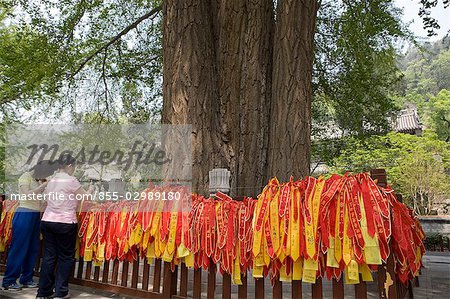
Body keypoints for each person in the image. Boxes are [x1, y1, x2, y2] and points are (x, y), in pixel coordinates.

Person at [36, 154, 93, 299]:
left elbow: (46, 201)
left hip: (48, 221)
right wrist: (91, 190)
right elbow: (84, 197)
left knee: (49, 257)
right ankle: (60, 292)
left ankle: (43, 292)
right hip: (65, 223)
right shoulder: (71, 180)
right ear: (69, 166)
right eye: (73, 167)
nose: (73, 170)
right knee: (65, 257)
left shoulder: (51, 180)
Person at [2, 160, 58, 291]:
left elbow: (41, 198)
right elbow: (27, 194)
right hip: (25, 213)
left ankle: (26, 278)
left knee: (33, 249)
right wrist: (43, 186)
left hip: (36, 215)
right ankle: (8, 281)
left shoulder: (40, 180)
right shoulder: (25, 176)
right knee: (19, 248)